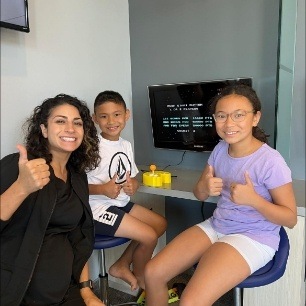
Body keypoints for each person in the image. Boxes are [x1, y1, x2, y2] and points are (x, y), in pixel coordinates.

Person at [144, 84, 297, 306]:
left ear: (255, 118)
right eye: (222, 116)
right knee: (152, 272)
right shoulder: (220, 149)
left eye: (239, 115)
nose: (229, 124)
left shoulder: (271, 161)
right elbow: (200, 193)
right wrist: (204, 188)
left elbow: (290, 218)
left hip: (253, 236)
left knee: (190, 302)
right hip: (218, 225)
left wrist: (253, 200)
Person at [0, 94, 105, 306]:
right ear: (44, 130)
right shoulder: (20, 167)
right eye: (60, 121)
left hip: (67, 291)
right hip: (19, 292)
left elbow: (78, 238)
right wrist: (21, 188)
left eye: (77, 123)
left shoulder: (76, 175)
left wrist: (86, 292)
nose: (70, 128)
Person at [87, 90, 167, 291]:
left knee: (159, 224)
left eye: (117, 114)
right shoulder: (92, 147)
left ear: (126, 115)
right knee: (148, 236)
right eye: (104, 116)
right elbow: (74, 185)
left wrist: (134, 184)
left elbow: (131, 176)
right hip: (97, 210)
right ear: (94, 119)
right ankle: (141, 279)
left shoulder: (125, 145)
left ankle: (121, 265)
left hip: (119, 203)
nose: (111, 121)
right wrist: (102, 189)